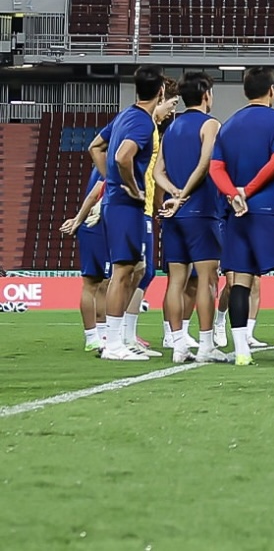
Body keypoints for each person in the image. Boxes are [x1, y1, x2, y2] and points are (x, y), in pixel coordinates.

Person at [210, 66, 274, 367]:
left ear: (245, 91)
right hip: (268, 207)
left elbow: (216, 169)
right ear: (272, 90)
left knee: (240, 279)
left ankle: (242, 351)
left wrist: (234, 194)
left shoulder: (228, 125)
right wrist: (249, 190)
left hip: (237, 212)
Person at [156, 71, 232, 365]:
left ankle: (177, 346)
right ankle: (205, 345)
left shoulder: (171, 128)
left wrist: (173, 193)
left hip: (174, 215)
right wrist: (185, 193)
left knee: (175, 281)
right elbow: (206, 163)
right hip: (201, 212)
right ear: (206, 95)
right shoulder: (211, 124)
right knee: (207, 281)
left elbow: (156, 172)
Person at [96, 66, 166, 361]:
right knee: (123, 271)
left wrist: (110, 180)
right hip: (127, 205)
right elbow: (122, 156)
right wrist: (131, 186)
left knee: (137, 269)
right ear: (161, 90)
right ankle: (112, 344)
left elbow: (96, 146)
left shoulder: (125, 115)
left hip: (121, 203)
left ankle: (121, 337)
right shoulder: (142, 122)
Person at [60, 167, 110, 351]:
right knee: (95, 284)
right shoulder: (106, 164)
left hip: (102, 226)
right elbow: (93, 196)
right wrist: (78, 220)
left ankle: (103, 334)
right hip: (95, 227)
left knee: (104, 283)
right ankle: (91, 336)